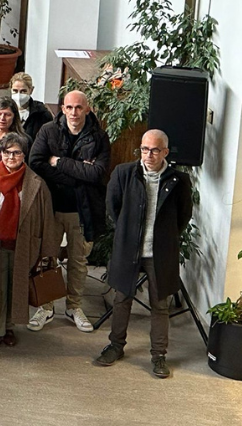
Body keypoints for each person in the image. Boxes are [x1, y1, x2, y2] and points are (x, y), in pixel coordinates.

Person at [95, 129, 193, 379]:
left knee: (160, 305)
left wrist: (162, 238)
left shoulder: (178, 181)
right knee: (121, 299)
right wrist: (129, 232)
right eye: (145, 149)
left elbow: (183, 217)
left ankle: (159, 355)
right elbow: (113, 208)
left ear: (165, 152)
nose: (149, 155)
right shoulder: (123, 173)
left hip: (159, 252)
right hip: (129, 247)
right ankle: (116, 346)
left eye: (155, 150)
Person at [27, 89, 110, 333]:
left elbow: (97, 174)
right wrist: (77, 175)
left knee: (78, 260)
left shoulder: (99, 137)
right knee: (47, 257)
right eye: (69, 107)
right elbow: (36, 164)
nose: (74, 113)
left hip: (81, 210)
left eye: (79, 108)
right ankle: (46, 306)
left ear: (87, 109)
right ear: (62, 108)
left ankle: (74, 306)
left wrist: (60, 162)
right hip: (51, 207)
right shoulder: (48, 131)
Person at [0, 132, 59, 353]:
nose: (11, 157)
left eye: (16, 152)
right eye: (6, 152)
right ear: (0, 154)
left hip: (24, 245)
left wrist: (48, 252)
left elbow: (48, 219)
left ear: (24, 154)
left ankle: (10, 327)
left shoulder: (37, 184)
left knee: (17, 287)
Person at [10, 72, 52, 144]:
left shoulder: (42, 114)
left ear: (31, 90)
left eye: (23, 91)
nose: (19, 95)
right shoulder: (4, 111)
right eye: (15, 91)